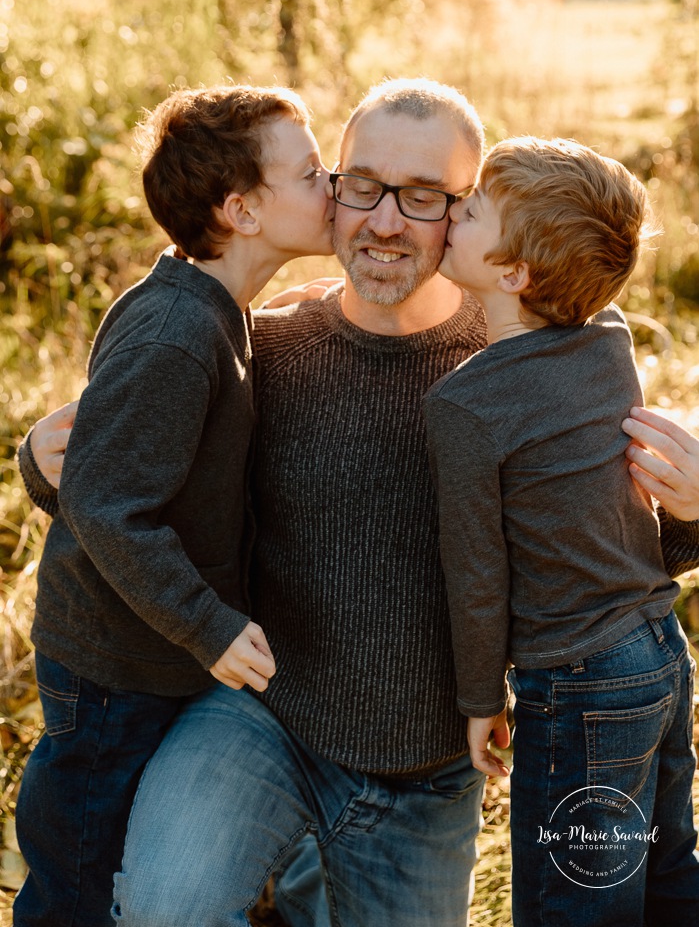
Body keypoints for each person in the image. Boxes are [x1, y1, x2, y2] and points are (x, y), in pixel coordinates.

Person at [19, 80, 699, 926]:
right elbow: (138, 493)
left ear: (469, 216)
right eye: (361, 185)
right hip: (258, 726)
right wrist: (46, 470)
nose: (384, 221)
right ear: (331, 189)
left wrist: (690, 514)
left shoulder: (527, 369)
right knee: (163, 908)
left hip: (425, 772)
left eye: (422, 198)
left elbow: (592, 556)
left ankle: (307, 881)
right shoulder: (254, 344)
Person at [12, 83, 334, 927]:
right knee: (79, 865)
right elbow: (110, 506)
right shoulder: (175, 336)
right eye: (309, 173)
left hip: (152, 657)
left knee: (126, 862)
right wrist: (210, 626)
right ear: (242, 211)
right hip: (112, 668)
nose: (331, 184)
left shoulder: (216, 312)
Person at [422, 136, 699, 926]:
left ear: (513, 274)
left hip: (578, 683)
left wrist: (480, 699)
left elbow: (475, 571)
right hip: (658, 652)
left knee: (574, 899)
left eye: (470, 210)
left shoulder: (464, 405)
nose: (452, 212)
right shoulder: (606, 336)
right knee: (667, 863)